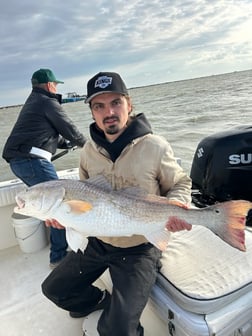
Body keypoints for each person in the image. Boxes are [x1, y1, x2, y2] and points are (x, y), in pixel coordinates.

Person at [41, 71, 192, 335]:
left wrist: (177, 206)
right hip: (100, 241)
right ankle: (100, 300)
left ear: (129, 104)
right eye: (99, 106)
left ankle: (119, 319)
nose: (108, 111)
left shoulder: (155, 146)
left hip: (139, 247)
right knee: (53, 289)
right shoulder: (88, 152)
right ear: (92, 112)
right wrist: (63, 217)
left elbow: (180, 183)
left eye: (115, 103)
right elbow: (82, 198)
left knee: (117, 330)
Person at [2, 68, 86, 268]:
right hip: (31, 161)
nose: (56, 87)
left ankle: (58, 251)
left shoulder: (35, 102)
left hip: (22, 161)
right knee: (59, 205)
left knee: (53, 204)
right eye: (55, 84)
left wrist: (66, 143)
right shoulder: (48, 102)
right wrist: (92, 147)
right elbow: (72, 130)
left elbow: (43, 135)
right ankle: (58, 257)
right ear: (50, 85)